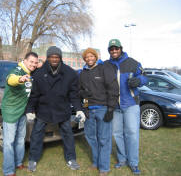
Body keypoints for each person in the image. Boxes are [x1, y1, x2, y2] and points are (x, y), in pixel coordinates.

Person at [26, 46, 86, 172]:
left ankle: (71, 159)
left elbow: (73, 95)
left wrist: (79, 109)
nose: (54, 59)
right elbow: (34, 95)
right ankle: (33, 159)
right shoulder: (39, 73)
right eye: (51, 57)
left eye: (57, 57)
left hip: (62, 109)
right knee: (37, 134)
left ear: (60, 58)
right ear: (47, 58)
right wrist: (29, 110)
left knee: (68, 134)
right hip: (44, 109)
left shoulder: (70, 73)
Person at [106, 39, 147, 175]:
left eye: (116, 48)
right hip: (115, 106)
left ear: (121, 48)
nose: (114, 51)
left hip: (130, 104)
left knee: (132, 134)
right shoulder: (106, 65)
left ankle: (133, 163)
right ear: (109, 51)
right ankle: (122, 159)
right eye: (111, 49)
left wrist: (139, 80)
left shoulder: (133, 62)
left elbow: (144, 77)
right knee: (117, 134)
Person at [79, 48, 119, 176]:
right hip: (89, 111)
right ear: (84, 59)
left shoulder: (104, 68)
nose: (89, 59)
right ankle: (96, 162)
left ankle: (104, 168)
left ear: (95, 57)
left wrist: (111, 108)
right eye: (87, 57)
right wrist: (85, 107)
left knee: (104, 139)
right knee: (90, 137)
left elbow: (113, 89)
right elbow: (82, 93)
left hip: (103, 109)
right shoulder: (83, 73)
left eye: (91, 56)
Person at [1, 52, 38, 176]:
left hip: (22, 112)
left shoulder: (30, 72)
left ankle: (18, 163)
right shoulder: (17, 70)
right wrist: (20, 79)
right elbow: (10, 79)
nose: (33, 64)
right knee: (9, 142)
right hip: (11, 111)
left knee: (20, 139)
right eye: (31, 61)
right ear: (25, 61)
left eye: (35, 62)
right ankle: (8, 170)